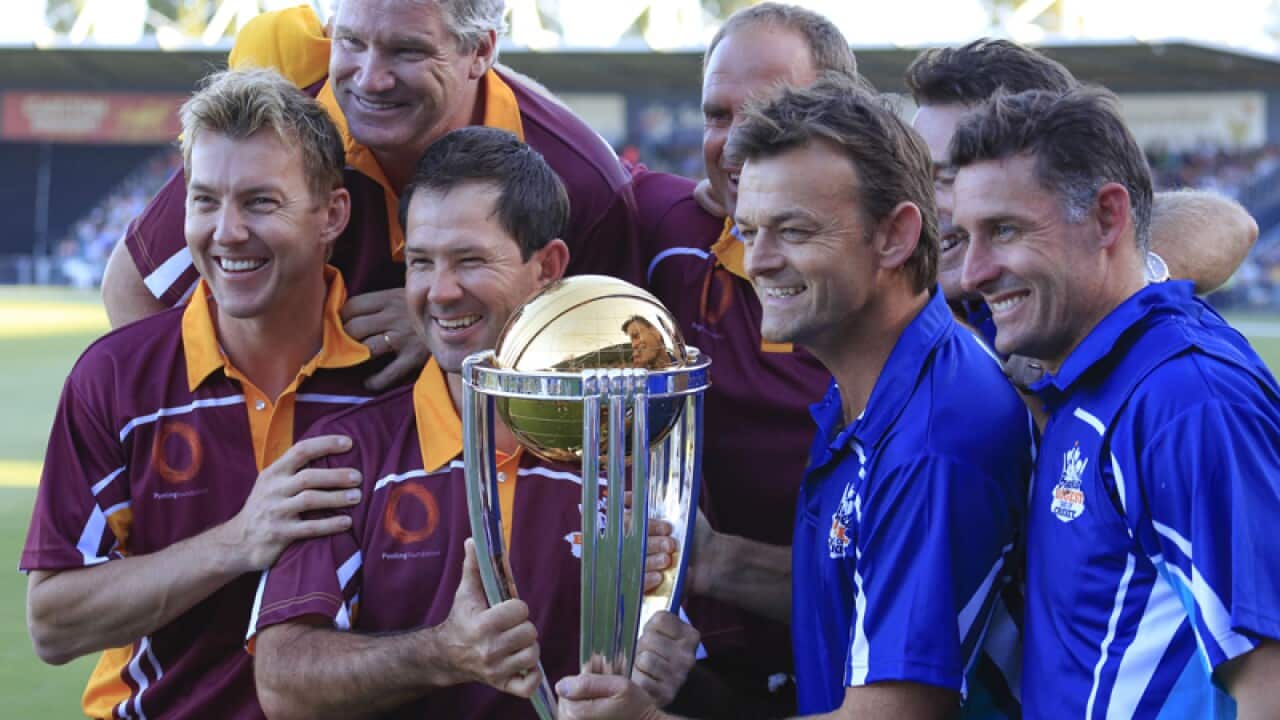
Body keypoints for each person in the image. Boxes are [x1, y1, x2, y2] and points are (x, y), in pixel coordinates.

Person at [559, 75, 1035, 720]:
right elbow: (860, 587)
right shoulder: (881, 385)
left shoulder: (931, 439)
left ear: (895, 235)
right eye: (748, 230)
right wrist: (713, 562)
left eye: (793, 230)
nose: (758, 260)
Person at [250, 126, 689, 719]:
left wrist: (664, 656)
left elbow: (677, 640)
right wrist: (443, 653)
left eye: (470, 260)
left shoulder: (633, 445)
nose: (441, 291)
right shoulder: (346, 453)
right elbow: (281, 682)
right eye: (423, 262)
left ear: (548, 268)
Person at [21, 68, 382, 718]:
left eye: (260, 202)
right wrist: (237, 541)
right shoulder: (115, 379)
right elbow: (53, 624)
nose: (227, 231)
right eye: (205, 200)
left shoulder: (391, 382)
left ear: (332, 214)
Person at [101, 0, 643, 392]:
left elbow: (614, 370)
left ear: (481, 50)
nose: (370, 79)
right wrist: (224, 439)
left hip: (477, 504)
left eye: (406, 51)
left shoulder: (583, 181)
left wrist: (468, 326)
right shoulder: (284, 131)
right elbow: (134, 287)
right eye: (351, 42)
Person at [951, 87, 1280, 719]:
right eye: (966, 238)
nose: (974, 272)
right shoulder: (1090, 383)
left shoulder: (1188, 401)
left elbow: (1271, 678)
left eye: (1005, 230)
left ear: (1107, 217)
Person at [631, 7, 857, 711]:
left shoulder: (910, 282)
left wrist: (715, 560)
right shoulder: (668, 228)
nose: (732, 145)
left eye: (764, 115)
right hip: (696, 676)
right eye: (717, 114)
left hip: (859, 675)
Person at [905, 38, 1258, 346]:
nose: (922, 202)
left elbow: (1229, 223)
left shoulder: (1179, 379)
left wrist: (1112, 287)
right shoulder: (913, 288)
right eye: (918, 174)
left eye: (950, 175)